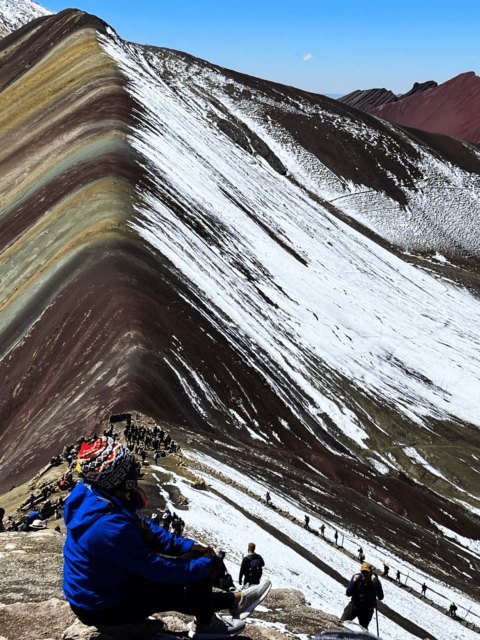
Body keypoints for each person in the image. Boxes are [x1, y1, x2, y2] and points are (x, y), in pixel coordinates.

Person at [63, 437, 272, 638]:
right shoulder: (109, 527)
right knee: (182, 582)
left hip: (97, 592)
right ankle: (214, 619)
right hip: (103, 606)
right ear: (118, 478)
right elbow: (157, 568)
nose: (136, 471)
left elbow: (149, 532)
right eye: (130, 469)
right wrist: (204, 567)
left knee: (188, 567)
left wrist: (190, 546)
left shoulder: (96, 496)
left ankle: (233, 603)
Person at [341, 562, 383, 630]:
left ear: (371, 573)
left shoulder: (375, 581)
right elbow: (348, 593)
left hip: (367, 610)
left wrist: (376, 583)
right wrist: (353, 582)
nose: (365, 574)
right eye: (363, 572)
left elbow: (380, 596)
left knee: (363, 629)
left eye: (367, 572)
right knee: (342, 622)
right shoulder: (357, 578)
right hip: (354, 605)